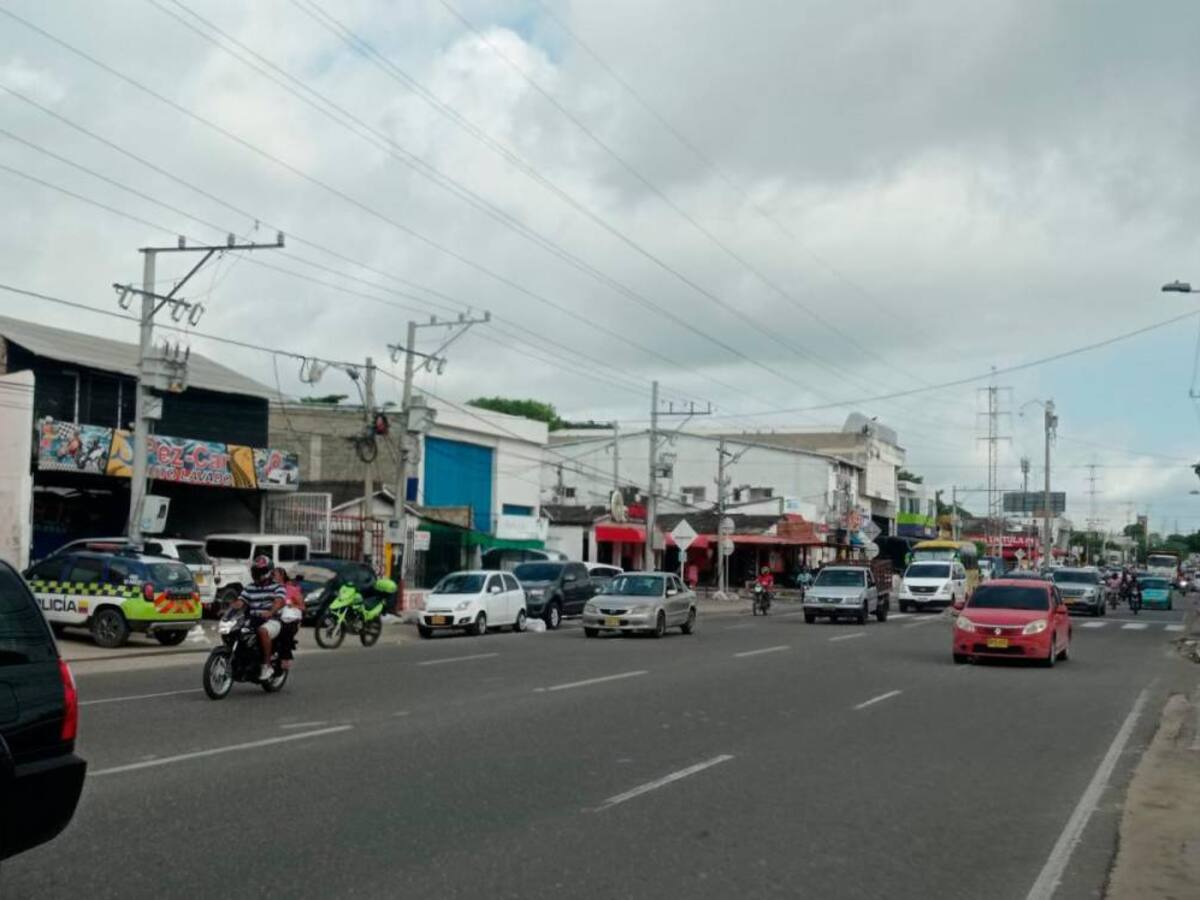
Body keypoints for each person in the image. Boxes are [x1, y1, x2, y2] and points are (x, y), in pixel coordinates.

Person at [231, 555, 285, 681]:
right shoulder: (250, 587)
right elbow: (241, 602)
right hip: (253, 620)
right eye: (255, 571)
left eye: (260, 571)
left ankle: (266, 665)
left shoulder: (277, 587)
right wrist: (229, 609)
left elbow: (279, 601)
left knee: (262, 631)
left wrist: (271, 611)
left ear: (268, 572)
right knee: (235, 631)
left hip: (272, 621)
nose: (257, 574)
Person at [273, 567, 304, 670]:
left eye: (275, 575)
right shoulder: (270, 589)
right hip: (272, 617)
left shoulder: (292, 590)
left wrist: (291, 605)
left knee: (284, 632)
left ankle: (285, 658)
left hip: (289, 620)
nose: (273, 578)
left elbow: (302, 607)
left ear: (282, 577)